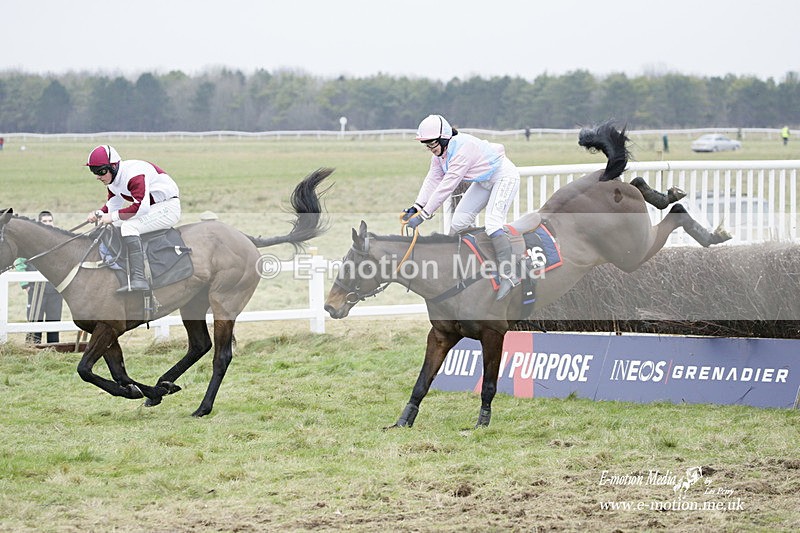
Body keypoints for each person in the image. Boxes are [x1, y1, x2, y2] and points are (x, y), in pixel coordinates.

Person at [401, 114, 521, 300]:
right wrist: (416, 207)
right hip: (484, 181)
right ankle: (464, 267)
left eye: (432, 144)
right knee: (458, 222)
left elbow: (447, 186)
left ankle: (509, 275)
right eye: (427, 145)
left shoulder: (462, 149)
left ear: (443, 138)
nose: (430, 149)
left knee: (493, 224)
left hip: (504, 176)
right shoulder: (441, 154)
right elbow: (432, 180)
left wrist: (424, 215)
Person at [85, 145, 181, 292]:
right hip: (153, 207)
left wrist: (111, 216)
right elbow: (113, 205)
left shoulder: (134, 175)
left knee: (129, 227)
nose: (98, 176)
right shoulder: (113, 181)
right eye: (94, 172)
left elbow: (141, 208)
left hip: (168, 207)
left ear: (114, 166)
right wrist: (99, 213)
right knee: (113, 223)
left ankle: (139, 278)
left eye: (101, 171)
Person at [14, 211, 64, 344]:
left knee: (54, 323)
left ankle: (53, 353)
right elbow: (19, 262)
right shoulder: (31, 242)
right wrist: (25, 285)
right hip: (36, 288)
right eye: (44, 221)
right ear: (39, 223)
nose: (48, 223)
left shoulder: (59, 241)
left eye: (50, 221)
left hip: (55, 290)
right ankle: (31, 352)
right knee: (34, 322)